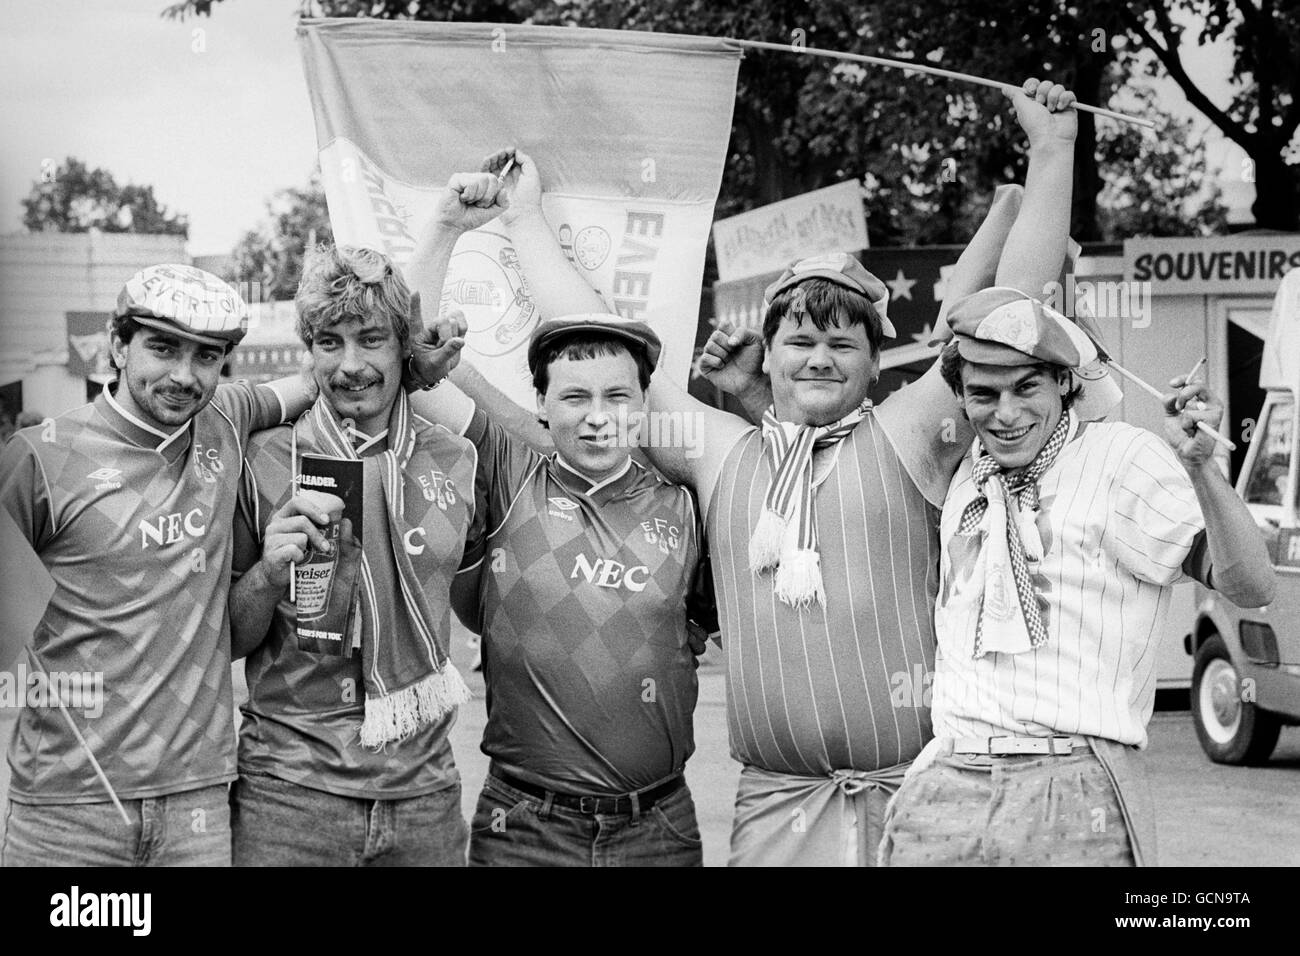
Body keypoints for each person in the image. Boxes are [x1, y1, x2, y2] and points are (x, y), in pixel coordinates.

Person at [636, 79, 1082, 865]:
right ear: (765, 354)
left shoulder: (908, 432)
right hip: (774, 809)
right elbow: (610, 366)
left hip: (919, 797)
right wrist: (525, 220)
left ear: (877, 363)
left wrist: (1053, 150)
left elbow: (1013, 312)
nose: (819, 357)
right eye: (800, 340)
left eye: (844, 345)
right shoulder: (719, 448)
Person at [876, 287, 1274, 866]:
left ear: (1065, 381)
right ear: (960, 398)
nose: (1006, 414)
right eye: (984, 395)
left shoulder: (1121, 457)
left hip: (1072, 779)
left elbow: (1250, 585)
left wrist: (1202, 470)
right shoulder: (964, 475)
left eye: (1026, 388)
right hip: (946, 784)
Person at [401, 164, 707, 866]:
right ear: (541, 403)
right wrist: (448, 226)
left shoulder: (689, 498)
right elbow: (409, 354)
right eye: (574, 399)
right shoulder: (510, 463)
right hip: (525, 830)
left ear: (642, 403)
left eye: (617, 397)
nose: (598, 420)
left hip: (659, 829)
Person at [0, 264, 316, 866]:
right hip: (67, 811)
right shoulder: (37, 458)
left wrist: (420, 359)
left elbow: (323, 378)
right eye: (163, 347)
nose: (184, 375)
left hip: (194, 806)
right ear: (118, 346)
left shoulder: (223, 418)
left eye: (207, 356)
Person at [226, 243, 483, 866]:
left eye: (371, 339)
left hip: (423, 795)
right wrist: (266, 573)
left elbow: (550, 434)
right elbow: (230, 637)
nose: (350, 365)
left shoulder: (457, 457)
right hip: (287, 794)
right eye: (329, 342)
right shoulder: (261, 455)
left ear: (404, 347)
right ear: (307, 351)